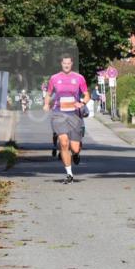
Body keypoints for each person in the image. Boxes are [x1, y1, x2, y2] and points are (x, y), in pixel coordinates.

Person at [43, 54, 89, 184]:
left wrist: (83, 103)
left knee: (74, 147)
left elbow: (86, 94)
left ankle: (76, 154)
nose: (66, 65)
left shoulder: (79, 78)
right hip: (58, 113)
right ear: (61, 64)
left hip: (74, 114)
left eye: (68, 63)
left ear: (72, 64)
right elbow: (48, 93)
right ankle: (69, 174)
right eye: (64, 63)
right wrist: (46, 104)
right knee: (63, 142)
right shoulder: (54, 78)